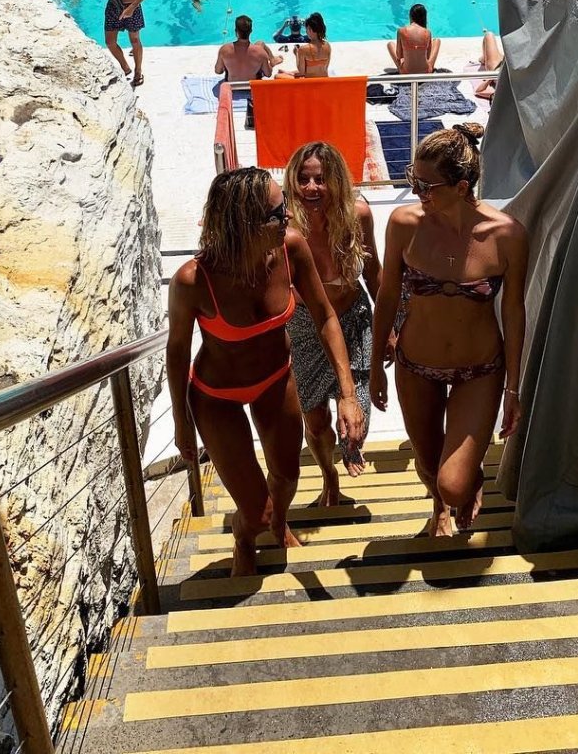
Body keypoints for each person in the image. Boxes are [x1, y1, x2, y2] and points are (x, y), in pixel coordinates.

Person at [167, 167, 365, 575]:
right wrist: (181, 422)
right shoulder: (192, 280)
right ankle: (246, 536)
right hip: (216, 397)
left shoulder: (291, 248)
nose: (288, 217)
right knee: (256, 513)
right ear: (244, 225)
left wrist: (348, 394)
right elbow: (177, 351)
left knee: (287, 478)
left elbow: (326, 317)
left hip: (276, 380)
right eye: (277, 213)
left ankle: (278, 523)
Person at [370, 126, 528, 535]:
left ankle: (465, 483)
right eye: (413, 179)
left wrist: (513, 388)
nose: (416, 192)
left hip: (480, 370)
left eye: (426, 186)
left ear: (461, 187)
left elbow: (513, 311)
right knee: (427, 463)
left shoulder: (507, 235)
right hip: (415, 365)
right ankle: (438, 509)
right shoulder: (405, 224)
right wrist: (374, 368)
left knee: (454, 483)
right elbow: (387, 296)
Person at [285, 144, 381, 501]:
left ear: (337, 181)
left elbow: (373, 271)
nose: (311, 188)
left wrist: (390, 326)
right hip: (304, 325)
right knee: (315, 421)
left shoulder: (358, 215)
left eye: (321, 179)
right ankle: (329, 476)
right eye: (303, 179)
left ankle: (350, 444)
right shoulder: (284, 226)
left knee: (358, 420)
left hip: (353, 319)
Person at [214, 14, 281, 81]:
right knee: (260, 43)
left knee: (260, 43)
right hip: (251, 84)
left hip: (232, 84)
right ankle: (273, 60)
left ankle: (272, 59)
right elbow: (268, 74)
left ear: (236, 31)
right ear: (251, 31)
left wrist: (229, 65)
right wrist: (271, 65)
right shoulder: (261, 52)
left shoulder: (224, 49)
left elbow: (218, 71)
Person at [387, 3, 440, 74]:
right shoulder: (427, 32)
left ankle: (401, 68)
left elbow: (399, 56)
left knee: (390, 44)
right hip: (426, 71)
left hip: (406, 72)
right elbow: (428, 56)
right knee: (437, 41)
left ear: (410, 16)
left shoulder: (401, 31)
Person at [294, 12, 332, 77]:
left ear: (310, 29)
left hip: (311, 82)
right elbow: (325, 68)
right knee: (289, 73)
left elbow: (301, 72)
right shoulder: (328, 46)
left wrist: (296, 54)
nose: (306, 32)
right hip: (324, 80)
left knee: (278, 76)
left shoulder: (303, 49)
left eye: (306, 29)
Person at [474, 30, 504, 102]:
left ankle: (484, 58)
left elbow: (479, 91)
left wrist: (491, 77)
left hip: (497, 69)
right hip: (503, 67)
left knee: (489, 35)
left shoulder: (500, 95)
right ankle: (484, 58)